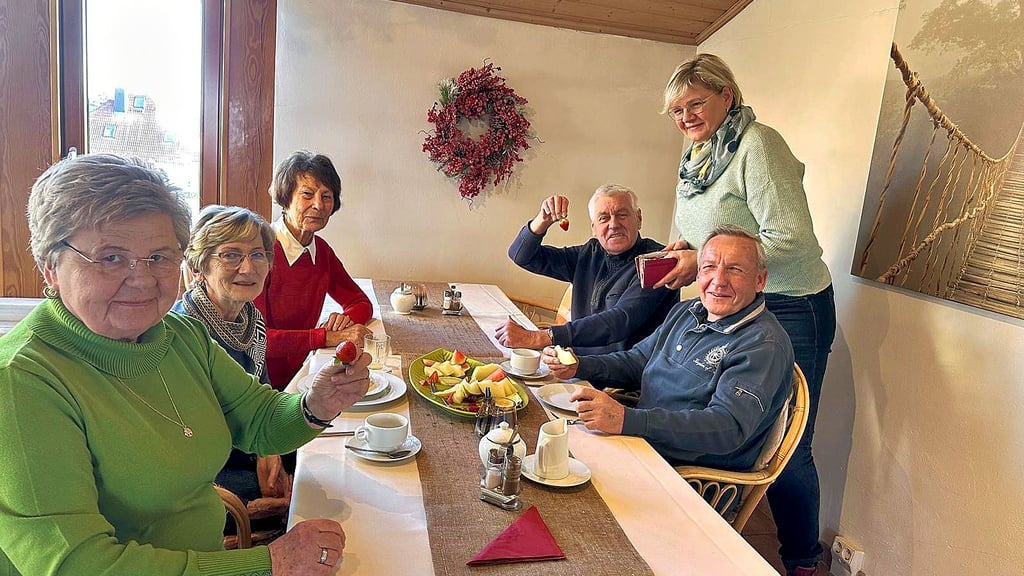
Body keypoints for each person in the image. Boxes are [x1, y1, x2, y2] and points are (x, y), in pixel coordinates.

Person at [0, 154, 370, 575]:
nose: (141, 278)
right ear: (51, 268)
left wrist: (317, 402)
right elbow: (78, 564)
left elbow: (261, 418)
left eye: (159, 256)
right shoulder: (22, 380)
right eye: (110, 257)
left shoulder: (180, 335)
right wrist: (266, 563)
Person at [653, 54, 836, 576]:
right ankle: (704, 534)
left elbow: (792, 238)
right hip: (736, 296)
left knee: (785, 442)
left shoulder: (759, 145)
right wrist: (685, 248)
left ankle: (803, 563)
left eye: (695, 104)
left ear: (726, 96)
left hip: (790, 300)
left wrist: (708, 265)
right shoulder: (698, 156)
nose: (685, 117)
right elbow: (707, 226)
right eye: (676, 110)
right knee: (723, 420)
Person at [544, 226, 794, 472]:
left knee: (556, 473)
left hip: (684, 474)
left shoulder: (763, 345)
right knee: (542, 444)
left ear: (760, 280)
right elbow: (638, 360)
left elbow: (727, 427)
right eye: (708, 267)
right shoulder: (688, 311)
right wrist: (581, 365)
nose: (718, 281)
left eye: (734, 269)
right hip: (638, 440)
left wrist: (628, 420)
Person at [172, 204, 292, 535]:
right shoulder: (184, 331)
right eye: (230, 255)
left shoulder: (251, 321)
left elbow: (263, 396)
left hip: (248, 445)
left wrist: (270, 451)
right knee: (302, 497)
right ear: (199, 265)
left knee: (322, 461)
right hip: (205, 468)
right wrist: (263, 459)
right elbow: (192, 438)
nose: (247, 267)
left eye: (258, 254)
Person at [496, 184, 678, 356]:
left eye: (622, 215)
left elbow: (620, 321)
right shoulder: (589, 253)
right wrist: (542, 220)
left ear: (638, 219)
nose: (613, 224)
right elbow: (521, 256)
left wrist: (538, 337)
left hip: (620, 380)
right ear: (594, 229)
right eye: (603, 218)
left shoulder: (659, 260)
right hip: (575, 366)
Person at [254, 150, 372, 388]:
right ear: (285, 199)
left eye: (326, 196)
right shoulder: (260, 251)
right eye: (307, 194)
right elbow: (259, 340)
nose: (318, 205)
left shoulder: (321, 252)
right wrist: (326, 337)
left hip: (304, 369)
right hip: (263, 383)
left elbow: (361, 303)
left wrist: (343, 320)